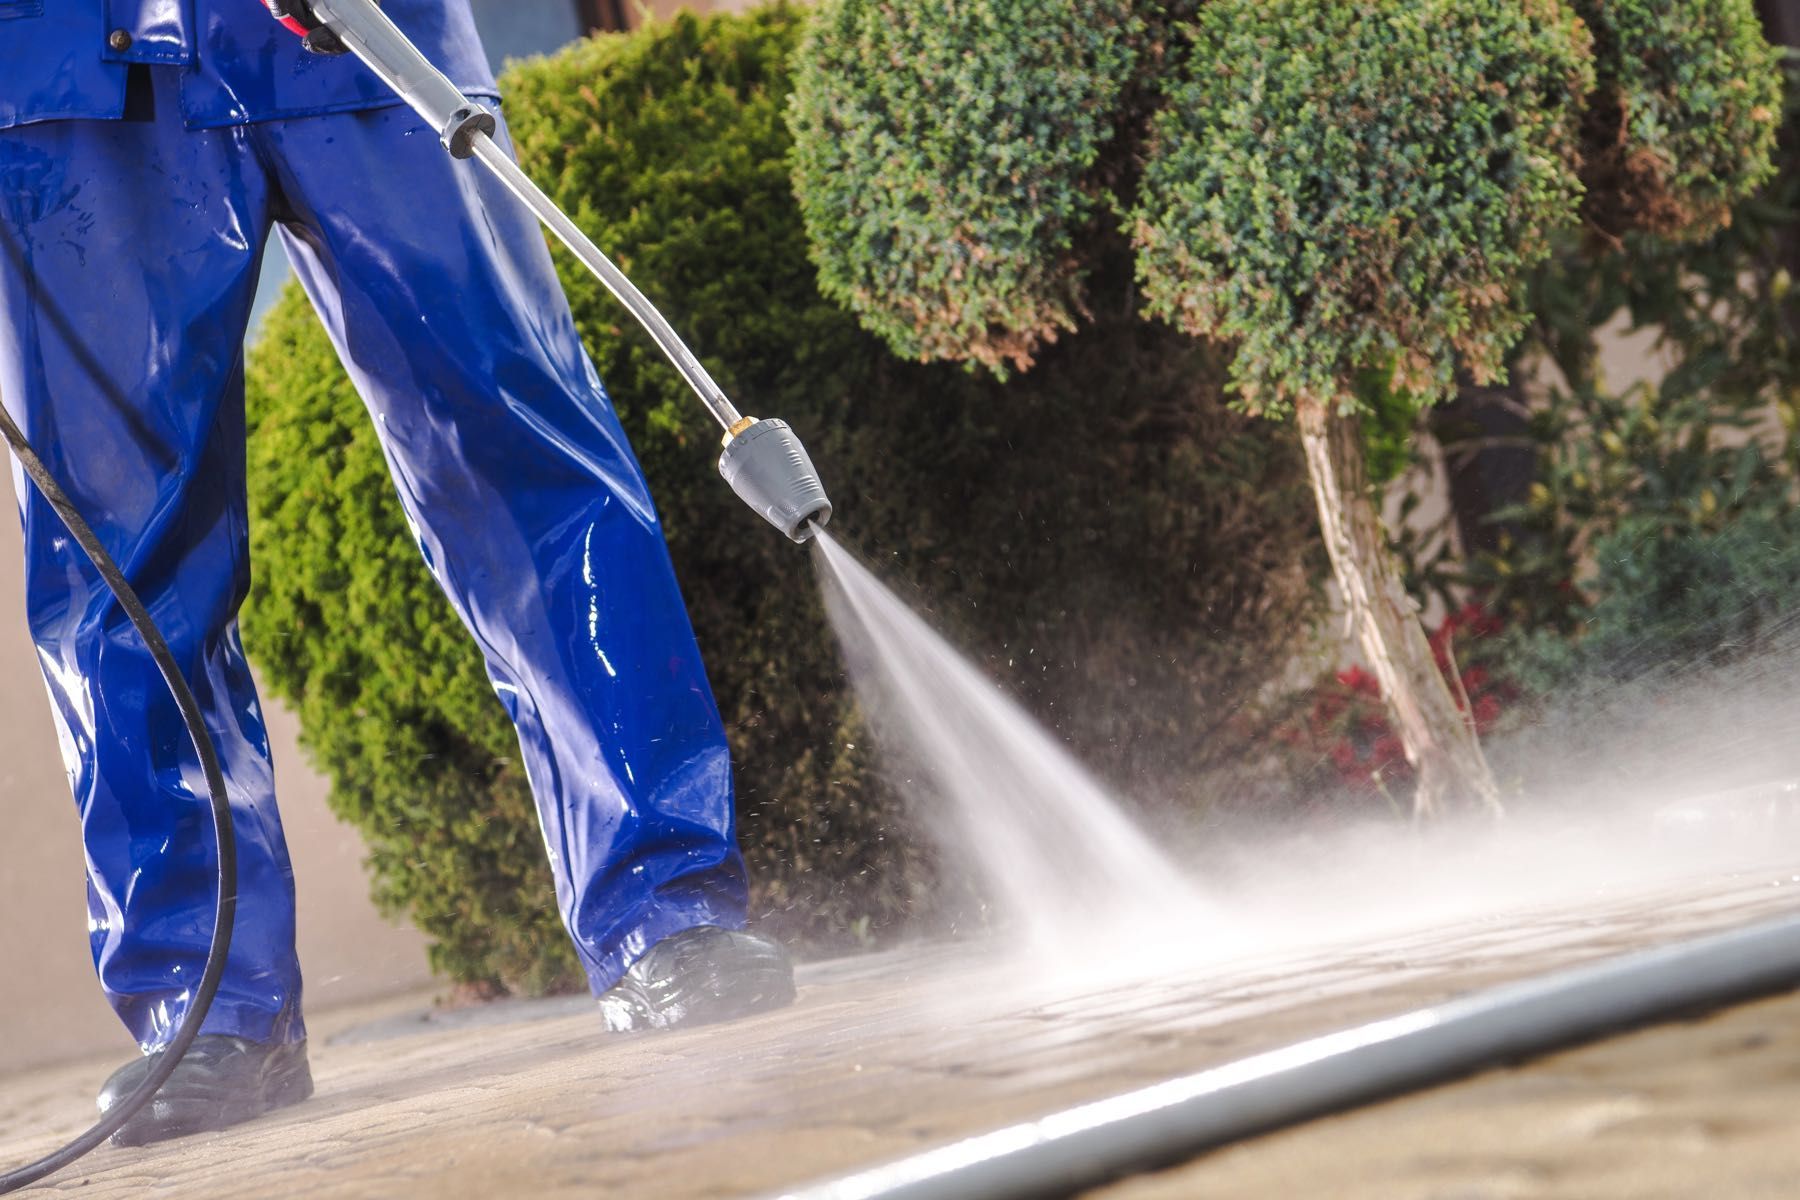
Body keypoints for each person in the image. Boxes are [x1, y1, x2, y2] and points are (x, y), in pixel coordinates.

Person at [0, 0, 794, 1147]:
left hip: (358, 38)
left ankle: (664, 913)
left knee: (517, 447)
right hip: (68, 64)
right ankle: (208, 1005)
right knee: (114, 556)